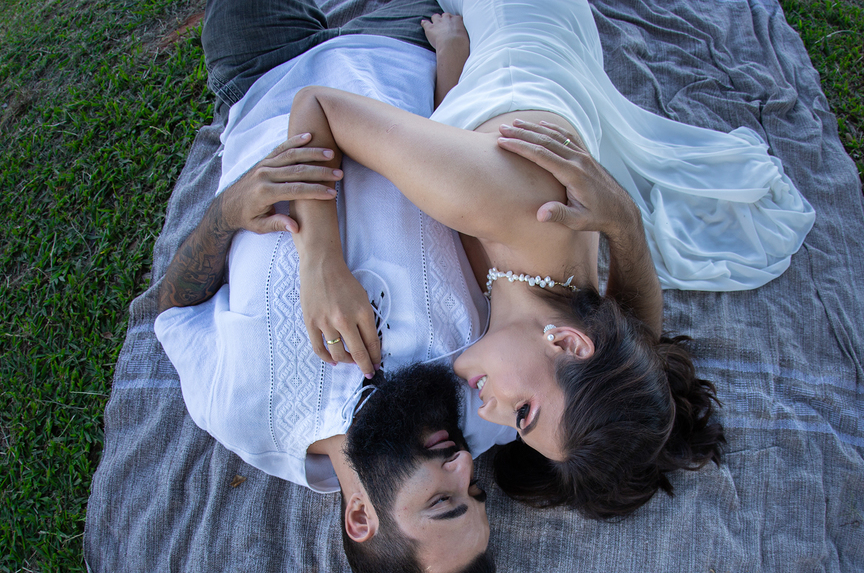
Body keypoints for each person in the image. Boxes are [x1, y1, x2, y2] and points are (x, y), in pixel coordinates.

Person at [286, 0, 817, 519]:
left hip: (546, 53)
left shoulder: (556, 301)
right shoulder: (518, 210)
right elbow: (318, 106)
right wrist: (321, 263)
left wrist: (626, 225)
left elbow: (451, 149)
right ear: (566, 342)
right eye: (523, 412)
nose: (489, 413)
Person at [153, 0, 516, 573]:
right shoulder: (492, 401)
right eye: (475, 491)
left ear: (360, 515)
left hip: (262, 82)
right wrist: (452, 72)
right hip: (405, 52)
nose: (463, 465)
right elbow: (480, 220)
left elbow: (172, 309)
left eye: (443, 499)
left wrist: (225, 212)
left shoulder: (243, 414)